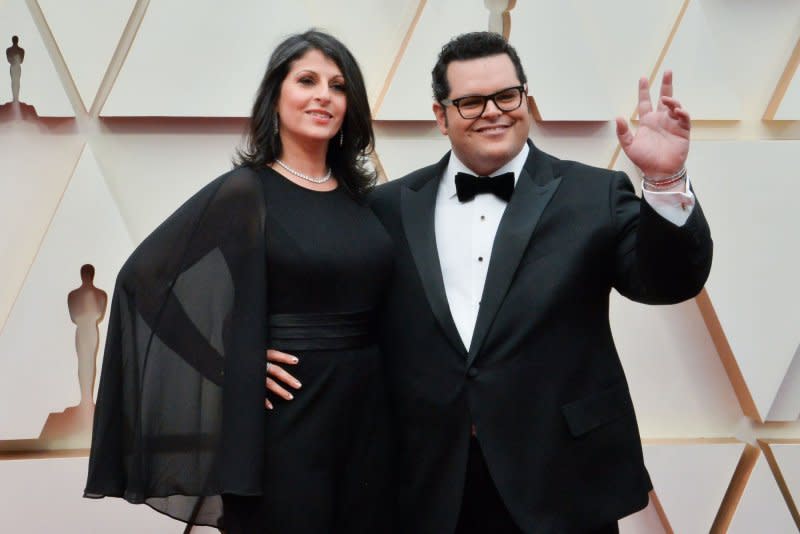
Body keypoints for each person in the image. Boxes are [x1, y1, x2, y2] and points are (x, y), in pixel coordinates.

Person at [272, 31, 712, 533]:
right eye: (471, 101)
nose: (493, 111)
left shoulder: (594, 193)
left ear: (525, 98)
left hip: (560, 476)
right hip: (425, 481)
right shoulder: (386, 207)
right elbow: (336, 310)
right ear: (441, 116)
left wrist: (664, 182)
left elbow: (667, 282)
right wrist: (256, 351)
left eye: (507, 95)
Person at [84, 30, 393, 533]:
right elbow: (144, 282)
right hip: (288, 419)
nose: (324, 96)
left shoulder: (363, 198)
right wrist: (232, 363)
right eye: (307, 80)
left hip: (370, 417)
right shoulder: (246, 192)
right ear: (275, 98)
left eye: (338, 86)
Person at [67, 264, 108, 407]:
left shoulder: (99, 294)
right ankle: (85, 398)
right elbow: (75, 316)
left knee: (88, 362)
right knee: (84, 362)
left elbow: (75, 316)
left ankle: (88, 399)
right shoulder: (74, 295)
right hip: (86, 329)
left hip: (88, 329)